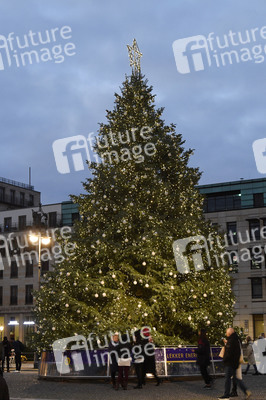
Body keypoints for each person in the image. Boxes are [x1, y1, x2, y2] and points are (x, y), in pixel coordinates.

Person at [218, 328, 251, 400]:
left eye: (227, 333)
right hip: (234, 362)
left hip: (230, 362)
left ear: (229, 333)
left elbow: (229, 352)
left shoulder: (231, 340)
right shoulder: (236, 339)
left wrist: (225, 360)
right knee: (235, 378)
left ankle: (226, 395)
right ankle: (246, 391)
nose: (226, 334)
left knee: (228, 378)